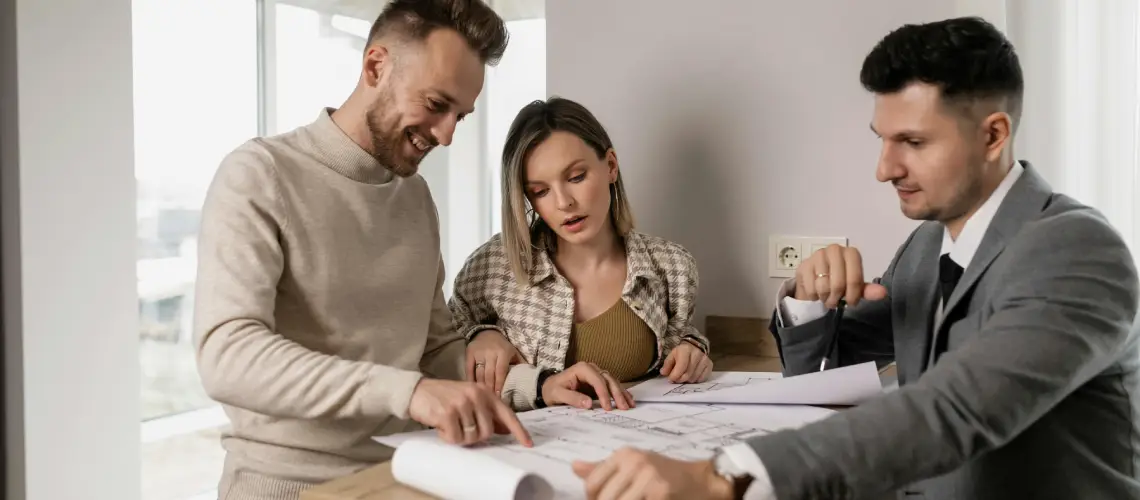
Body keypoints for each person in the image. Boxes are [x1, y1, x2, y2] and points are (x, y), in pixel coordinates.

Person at [573, 16, 1140, 500]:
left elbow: (953, 412)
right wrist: (805, 300)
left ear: (994, 136)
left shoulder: (1076, 252)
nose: (885, 168)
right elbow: (827, 375)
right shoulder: (925, 248)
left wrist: (724, 476)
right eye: (882, 139)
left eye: (913, 143)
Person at [191, 1, 534, 498]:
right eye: (436, 105)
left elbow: (436, 349)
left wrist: (537, 386)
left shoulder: (415, 197)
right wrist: (407, 391)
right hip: (287, 485)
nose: (446, 135)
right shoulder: (259, 174)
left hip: (406, 475)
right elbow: (227, 355)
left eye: (460, 115)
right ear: (376, 66)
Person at [447, 96, 714, 412]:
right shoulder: (490, 269)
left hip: (635, 449)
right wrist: (480, 335)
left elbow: (679, 340)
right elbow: (444, 363)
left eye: (576, 177)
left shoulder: (673, 267)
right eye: (540, 191)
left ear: (611, 166)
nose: (563, 202)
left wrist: (693, 351)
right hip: (531, 450)